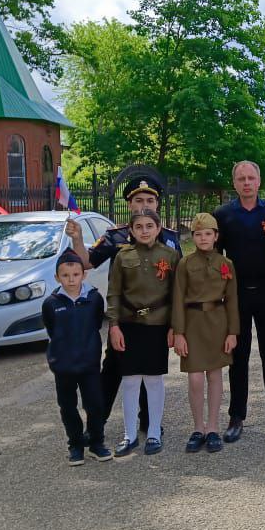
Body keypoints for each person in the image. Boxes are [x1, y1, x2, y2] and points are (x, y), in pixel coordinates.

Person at [65, 176, 181, 435]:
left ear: (158, 204)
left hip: (157, 317)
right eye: (138, 200)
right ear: (129, 204)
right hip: (126, 317)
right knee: (113, 370)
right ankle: (97, 424)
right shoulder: (115, 237)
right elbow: (86, 263)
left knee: (150, 370)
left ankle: (149, 424)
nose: (144, 205)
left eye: (150, 200)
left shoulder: (170, 239)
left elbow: (179, 284)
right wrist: (77, 238)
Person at [213, 161, 265, 443]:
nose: (246, 183)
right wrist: (217, 294)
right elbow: (215, 258)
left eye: (251, 178)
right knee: (238, 355)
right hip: (236, 294)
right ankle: (237, 416)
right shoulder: (223, 215)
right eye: (241, 178)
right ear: (234, 183)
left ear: (259, 181)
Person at [106, 209, 179, 457]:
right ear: (131, 230)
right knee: (130, 380)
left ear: (158, 228)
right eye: (139, 227)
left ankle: (154, 433)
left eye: (150, 226)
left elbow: (176, 296)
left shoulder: (169, 255)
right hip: (129, 323)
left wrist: (175, 327)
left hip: (157, 324)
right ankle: (129, 435)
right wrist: (113, 325)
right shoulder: (122, 256)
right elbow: (114, 292)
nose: (145, 231)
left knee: (154, 380)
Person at [172, 212, 239, 454]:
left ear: (216, 236)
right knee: (195, 378)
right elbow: (177, 298)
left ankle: (212, 427)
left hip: (217, 322)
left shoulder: (226, 264)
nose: (203, 238)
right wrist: (178, 332)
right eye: (198, 234)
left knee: (214, 375)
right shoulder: (185, 264)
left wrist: (233, 332)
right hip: (192, 323)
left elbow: (232, 300)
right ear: (193, 237)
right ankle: (197, 427)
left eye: (207, 234)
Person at [41, 250, 110, 465]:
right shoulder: (51, 303)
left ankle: (96, 442)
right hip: (63, 365)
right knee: (68, 406)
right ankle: (76, 444)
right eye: (65, 276)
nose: (71, 280)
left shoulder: (94, 298)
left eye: (76, 275)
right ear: (57, 278)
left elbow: (97, 323)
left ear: (84, 275)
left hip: (88, 363)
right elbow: (52, 329)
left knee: (95, 404)